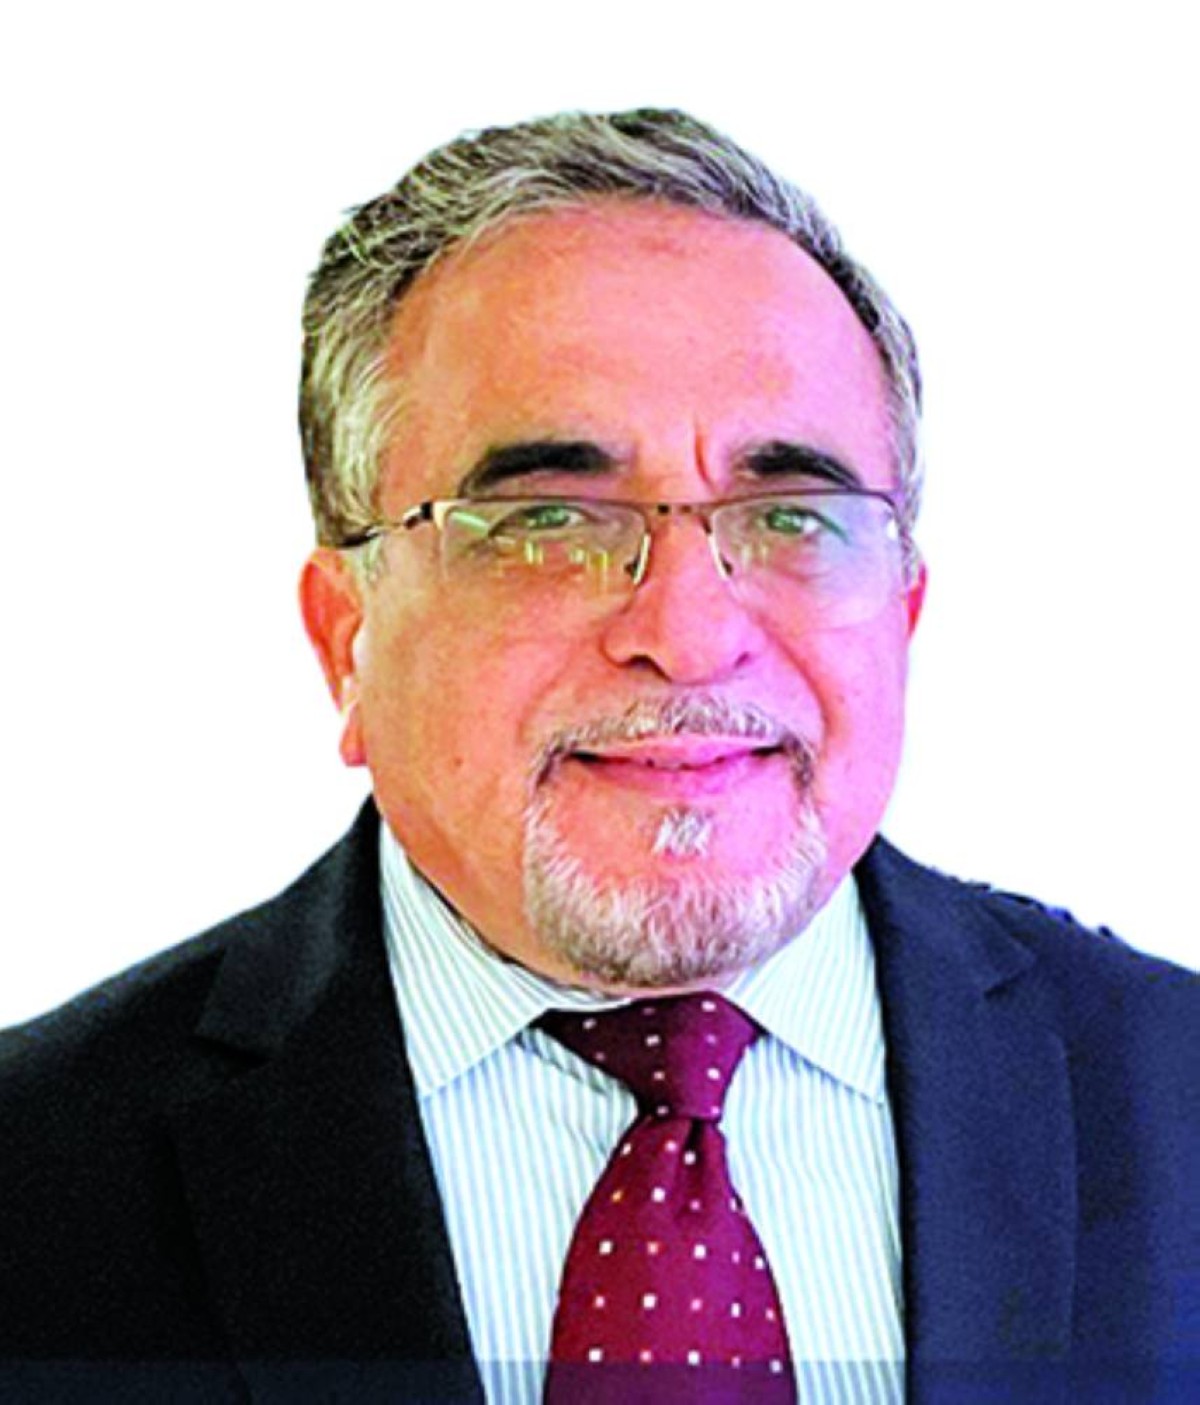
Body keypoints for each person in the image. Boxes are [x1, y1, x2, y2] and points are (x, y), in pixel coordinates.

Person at [1, 109, 1195, 1404]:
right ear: (347, 637)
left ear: (901, 613)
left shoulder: (1171, 1092)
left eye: (791, 516)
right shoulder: (38, 1180)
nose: (689, 635)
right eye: (549, 523)